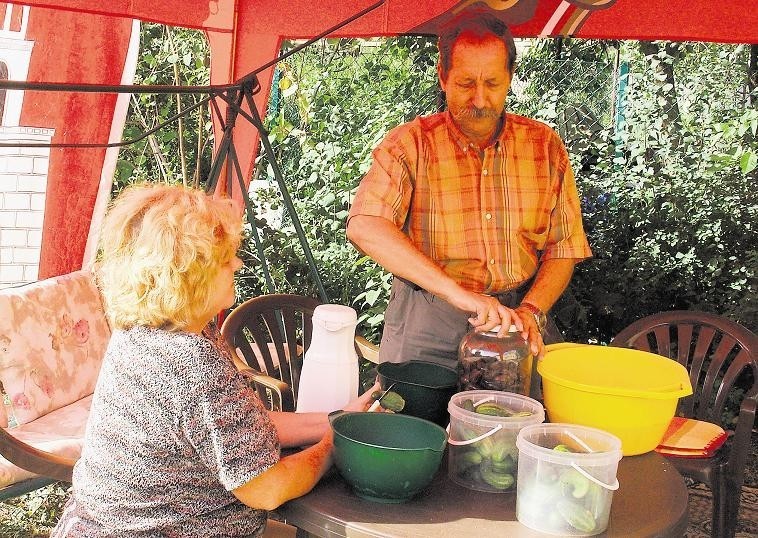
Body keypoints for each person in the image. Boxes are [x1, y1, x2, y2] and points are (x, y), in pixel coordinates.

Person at [51, 183, 377, 538]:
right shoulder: (192, 361)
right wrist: (333, 444)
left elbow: (235, 429)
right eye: (225, 258)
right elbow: (268, 489)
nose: (237, 263)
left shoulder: (141, 333)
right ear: (189, 274)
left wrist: (338, 420)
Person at [346, 9, 592, 367]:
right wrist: (461, 296)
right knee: (414, 420)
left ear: (510, 78)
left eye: (492, 84)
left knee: (515, 421)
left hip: (516, 322)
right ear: (442, 77)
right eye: (465, 84)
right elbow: (365, 226)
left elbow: (565, 248)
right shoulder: (410, 145)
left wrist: (531, 309)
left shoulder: (544, 146)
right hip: (428, 317)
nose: (479, 99)